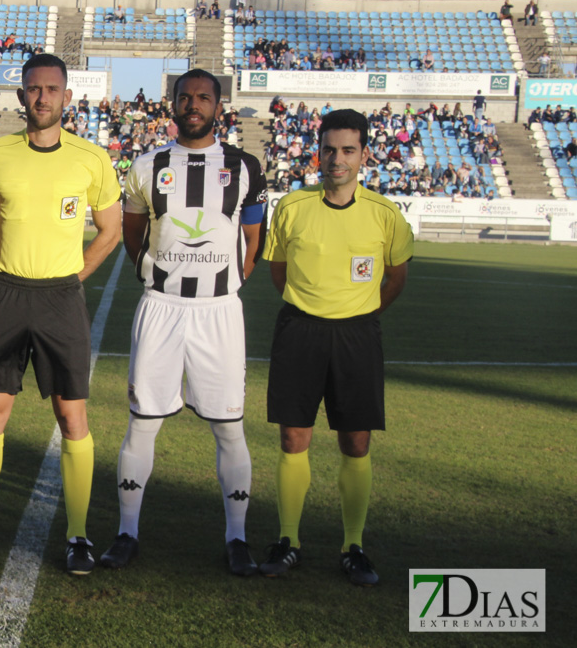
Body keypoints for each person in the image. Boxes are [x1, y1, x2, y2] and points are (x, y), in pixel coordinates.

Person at [0, 53, 122, 575]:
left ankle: (79, 536)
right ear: (21, 96)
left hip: (60, 298)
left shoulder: (91, 159)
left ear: (67, 96)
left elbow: (109, 232)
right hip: (5, 295)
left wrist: (72, 279)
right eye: (33, 89)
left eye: (52, 89)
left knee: (72, 416)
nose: (42, 97)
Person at [99, 70, 268, 576]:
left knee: (229, 428)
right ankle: (127, 532)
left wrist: (225, 282)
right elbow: (134, 236)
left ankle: (237, 538)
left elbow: (254, 243)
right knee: (143, 422)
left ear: (219, 105)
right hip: (162, 308)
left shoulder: (245, 167)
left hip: (219, 313)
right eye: (184, 97)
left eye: (203, 97)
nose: (193, 104)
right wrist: (160, 276)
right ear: (170, 104)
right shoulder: (147, 166)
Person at [259, 109, 413, 587]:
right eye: (329, 149)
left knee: (356, 441)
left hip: (357, 336)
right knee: (293, 438)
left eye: (348, 150)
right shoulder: (292, 207)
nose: (337, 159)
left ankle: (353, 545)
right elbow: (278, 271)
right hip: (300, 331)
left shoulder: (385, 214)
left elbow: (396, 278)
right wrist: (313, 307)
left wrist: (359, 312)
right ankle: (288, 540)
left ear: (364, 155)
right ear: (317, 152)